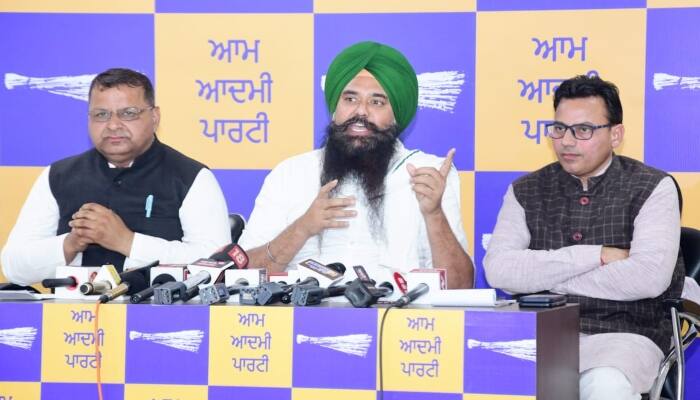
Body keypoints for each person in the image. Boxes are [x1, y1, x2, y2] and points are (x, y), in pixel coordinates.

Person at [484, 75, 684, 399]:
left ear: (615, 134)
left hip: (625, 336)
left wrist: (543, 280)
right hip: (539, 334)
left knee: (605, 384)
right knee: (486, 373)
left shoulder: (652, 187)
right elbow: (499, 271)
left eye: (583, 130)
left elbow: (648, 277)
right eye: (559, 128)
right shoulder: (525, 190)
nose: (566, 141)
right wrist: (597, 256)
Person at [238, 41, 474, 289]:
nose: (361, 112)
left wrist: (434, 214)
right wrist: (302, 229)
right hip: (302, 311)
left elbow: (460, 286)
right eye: (350, 99)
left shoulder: (429, 174)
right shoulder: (291, 173)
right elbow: (242, 276)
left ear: (398, 114)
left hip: (396, 312)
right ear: (334, 109)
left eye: (377, 102)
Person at [1, 68, 231, 286]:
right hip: (73, 312)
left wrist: (128, 242)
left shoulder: (191, 177)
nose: (113, 125)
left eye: (128, 113)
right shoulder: (58, 176)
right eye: (101, 114)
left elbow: (217, 264)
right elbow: (13, 267)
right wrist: (70, 244)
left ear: (155, 117)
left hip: (158, 311)